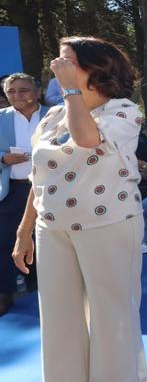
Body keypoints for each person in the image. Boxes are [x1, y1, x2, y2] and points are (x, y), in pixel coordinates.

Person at [12, 36, 147, 382]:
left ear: (94, 68)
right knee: (59, 320)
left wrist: (72, 91)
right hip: (52, 229)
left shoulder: (123, 111)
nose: (57, 68)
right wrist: (25, 229)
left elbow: (89, 139)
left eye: (67, 61)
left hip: (109, 226)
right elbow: (39, 176)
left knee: (112, 321)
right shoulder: (54, 116)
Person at [0, 73, 48, 316]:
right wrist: (3, 159)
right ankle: (5, 293)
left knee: (46, 239)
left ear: (37, 92)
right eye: (11, 92)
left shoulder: (54, 115)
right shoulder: (0, 118)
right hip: (12, 189)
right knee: (6, 240)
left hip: (49, 190)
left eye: (23, 90)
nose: (16, 96)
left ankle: (41, 288)